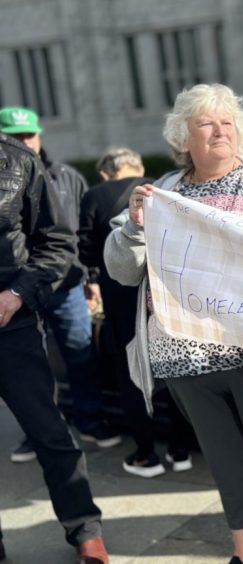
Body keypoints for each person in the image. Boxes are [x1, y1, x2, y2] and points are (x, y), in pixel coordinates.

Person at [105, 83, 243, 564]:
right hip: (186, 360)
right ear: (183, 137)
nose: (219, 130)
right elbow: (123, 271)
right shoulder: (159, 194)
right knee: (226, 464)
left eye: (227, 122)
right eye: (206, 123)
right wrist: (134, 227)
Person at [0, 132, 109, 562]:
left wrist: (16, 296)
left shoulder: (18, 160)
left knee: (50, 432)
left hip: (14, 326)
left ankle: (85, 529)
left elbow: (57, 244)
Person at [0, 106, 120, 463]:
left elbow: (82, 233)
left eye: (29, 135)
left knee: (79, 354)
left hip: (65, 284)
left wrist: (92, 280)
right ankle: (36, 433)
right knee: (29, 368)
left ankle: (89, 421)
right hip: (19, 289)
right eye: (15, 136)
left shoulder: (68, 177)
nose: (24, 142)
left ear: (39, 135)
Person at [78, 146, 193, 477]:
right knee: (172, 370)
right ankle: (180, 450)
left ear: (105, 172)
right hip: (163, 295)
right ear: (139, 166)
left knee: (130, 374)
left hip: (121, 296)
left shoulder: (95, 195)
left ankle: (146, 455)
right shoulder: (161, 187)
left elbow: (85, 250)